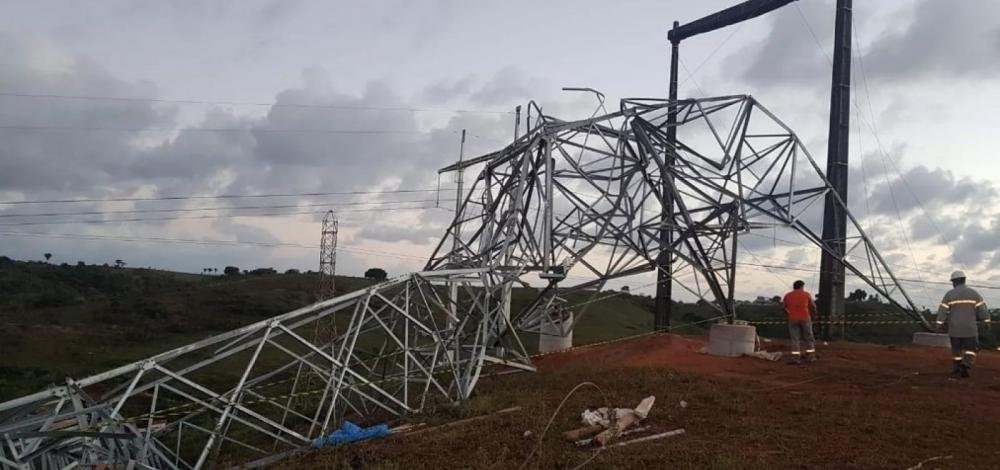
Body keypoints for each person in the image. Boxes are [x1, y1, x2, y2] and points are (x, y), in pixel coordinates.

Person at [936, 270, 990, 378]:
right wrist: (986, 321)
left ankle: (957, 369)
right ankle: (965, 365)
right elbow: (983, 310)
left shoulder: (949, 294)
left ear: (954, 282)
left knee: (956, 351)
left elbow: (943, 311)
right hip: (970, 329)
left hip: (954, 329)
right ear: (964, 280)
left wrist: (939, 324)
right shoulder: (974, 293)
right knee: (971, 349)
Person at [782, 280, 817, 364]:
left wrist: (788, 314)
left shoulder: (787, 295)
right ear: (801, 286)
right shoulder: (806, 294)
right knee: (808, 337)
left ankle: (796, 358)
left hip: (792, 318)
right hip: (805, 318)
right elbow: (813, 306)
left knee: (795, 339)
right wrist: (813, 315)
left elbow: (783, 307)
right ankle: (811, 356)